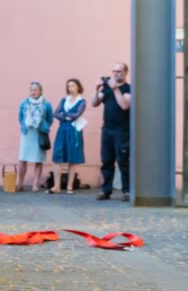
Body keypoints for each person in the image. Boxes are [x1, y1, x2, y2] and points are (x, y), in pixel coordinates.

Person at [93, 61, 131, 202]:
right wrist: (96, 89)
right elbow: (94, 103)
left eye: (118, 71)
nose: (115, 74)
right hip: (107, 129)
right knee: (106, 160)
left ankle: (127, 191)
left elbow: (124, 106)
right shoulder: (106, 89)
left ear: (125, 73)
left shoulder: (128, 89)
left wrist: (115, 89)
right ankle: (106, 190)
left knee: (123, 161)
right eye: (113, 71)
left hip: (122, 130)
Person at [48, 78, 86, 194]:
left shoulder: (81, 101)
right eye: (69, 86)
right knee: (57, 156)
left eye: (73, 86)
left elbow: (76, 115)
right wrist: (66, 116)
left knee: (72, 159)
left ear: (78, 87)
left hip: (74, 130)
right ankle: (56, 186)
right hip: (63, 129)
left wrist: (63, 114)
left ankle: (70, 186)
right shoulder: (64, 100)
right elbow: (55, 113)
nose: (71, 88)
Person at [16, 82, 53, 192]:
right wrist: (27, 124)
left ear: (40, 91)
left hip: (39, 133)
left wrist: (43, 126)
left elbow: (50, 119)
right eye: (31, 90)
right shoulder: (24, 103)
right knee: (22, 159)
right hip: (27, 132)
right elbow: (20, 118)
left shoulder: (46, 104)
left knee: (38, 159)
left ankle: (35, 184)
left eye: (35, 90)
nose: (33, 92)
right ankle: (20, 183)